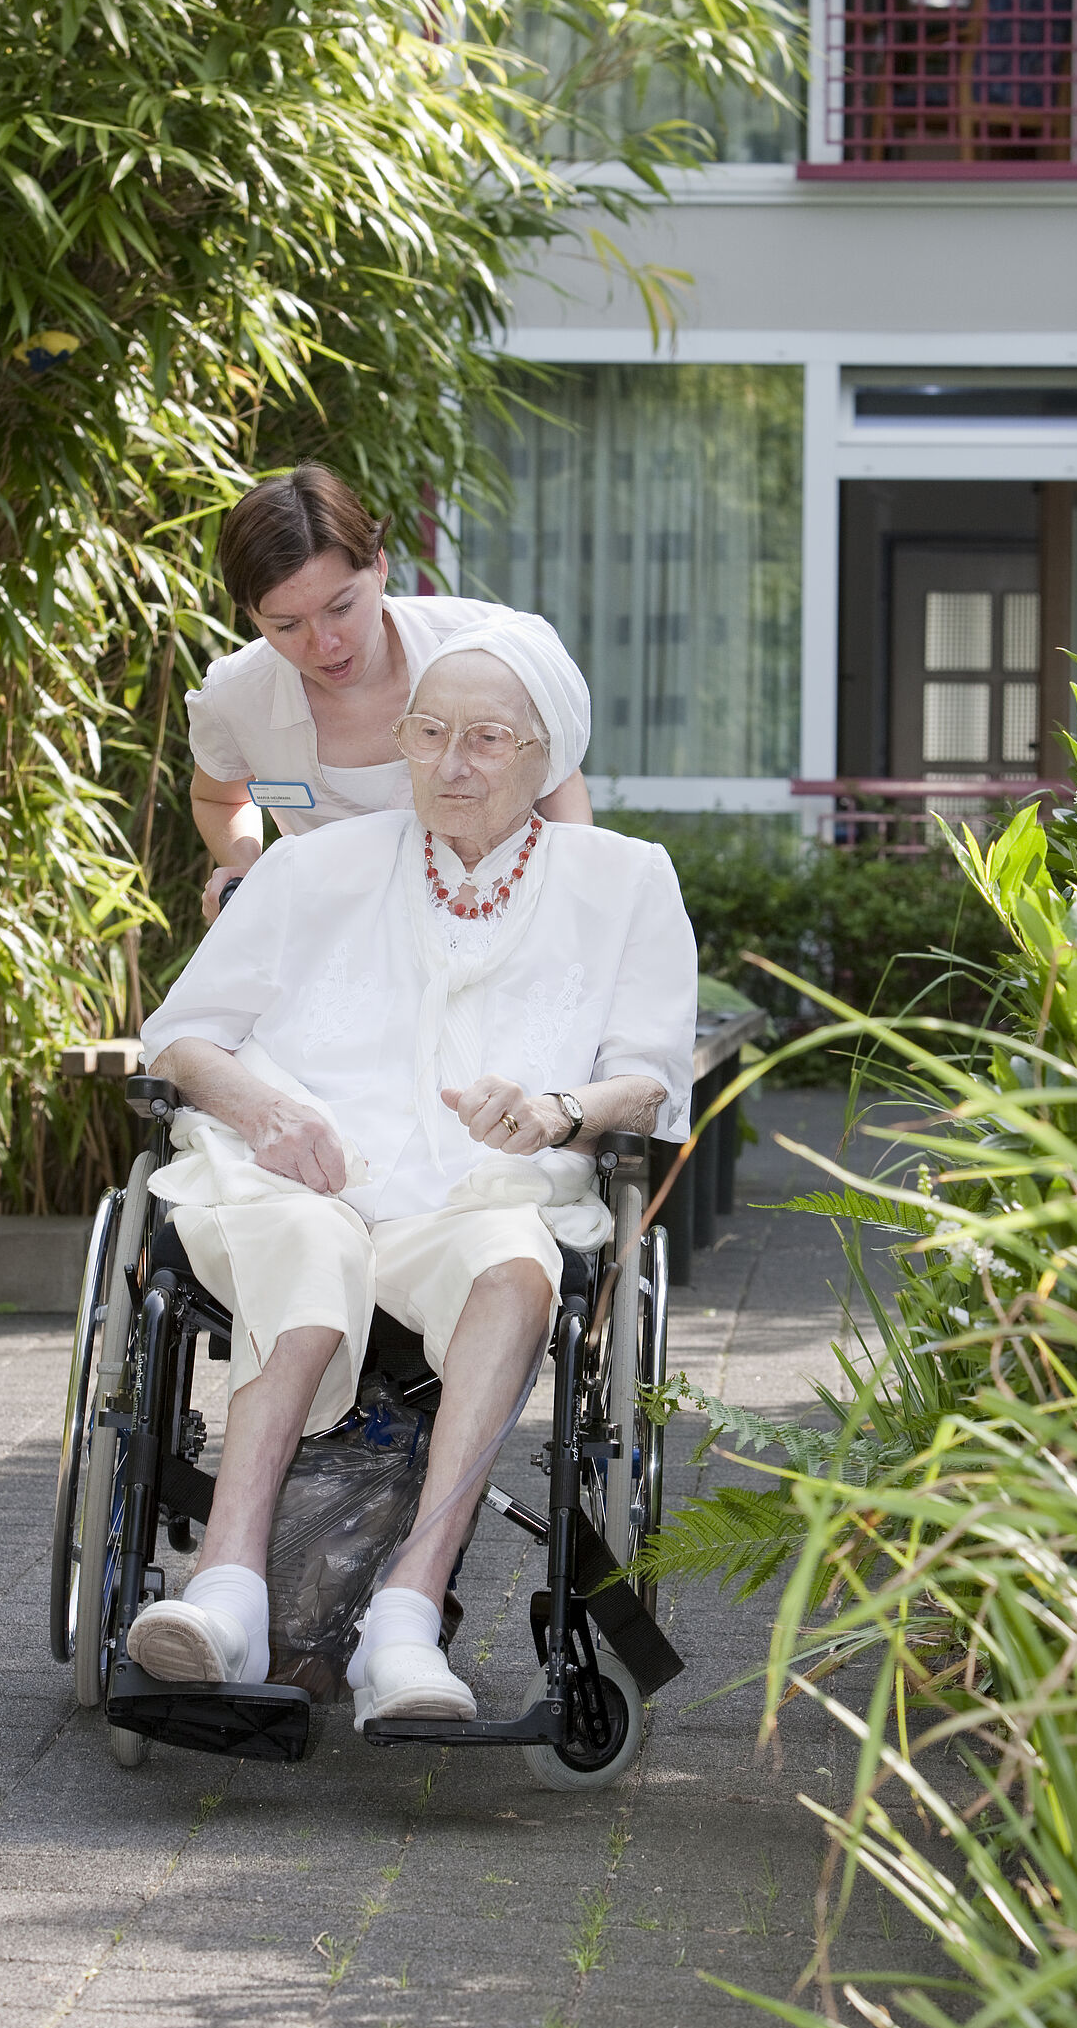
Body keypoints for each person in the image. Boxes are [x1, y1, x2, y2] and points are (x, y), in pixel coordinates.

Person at [129, 616, 695, 1727]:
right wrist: (262, 1106)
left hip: (486, 1189)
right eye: (428, 732)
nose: (449, 762)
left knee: (516, 1269)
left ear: (546, 756)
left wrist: (555, 1111)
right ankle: (228, 1590)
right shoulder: (315, 866)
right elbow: (181, 1035)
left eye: (486, 738)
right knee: (311, 1235)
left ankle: (404, 1616)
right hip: (297, 1176)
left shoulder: (625, 880)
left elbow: (649, 1079)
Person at [188, 462, 593, 921]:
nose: (323, 644)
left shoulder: (490, 650)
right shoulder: (234, 696)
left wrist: (568, 900)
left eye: (341, 607)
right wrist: (246, 869)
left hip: (501, 920)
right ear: (251, 617)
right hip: (332, 941)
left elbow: (557, 777)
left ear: (379, 566)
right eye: (286, 625)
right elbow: (219, 796)